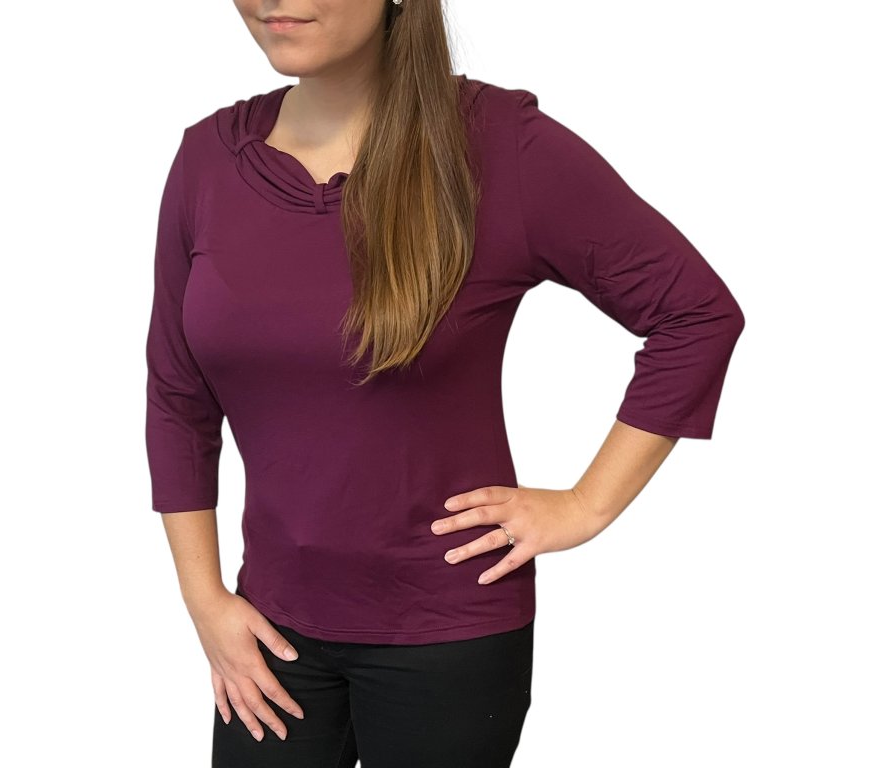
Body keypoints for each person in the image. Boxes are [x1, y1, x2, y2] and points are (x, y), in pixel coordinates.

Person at [144, 1, 745, 765]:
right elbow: (177, 394)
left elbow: (695, 314)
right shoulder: (208, 159)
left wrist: (586, 505)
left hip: (445, 635)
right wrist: (205, 601)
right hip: (267, 630)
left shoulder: (500, 147)